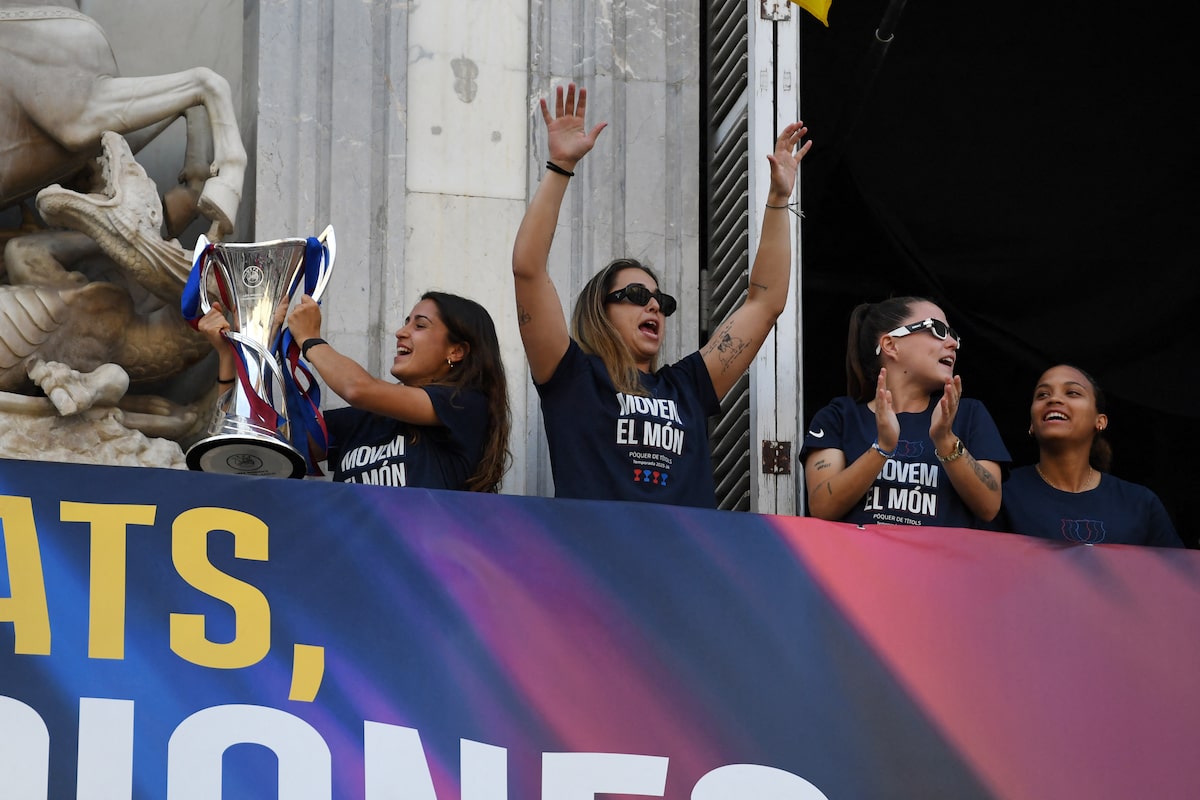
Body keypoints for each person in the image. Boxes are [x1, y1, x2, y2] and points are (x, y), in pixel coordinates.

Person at [511, 82, 811, 508]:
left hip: (683, 571)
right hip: (598, 570)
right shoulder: (573, 378)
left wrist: (779, 199)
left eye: (661, 301)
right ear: (600, 310)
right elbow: (528, 270)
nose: (654, 304)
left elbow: (765, 304)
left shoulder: (685, 386)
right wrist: (560, 166)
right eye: (635, 294)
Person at [197, 291, 511, 492]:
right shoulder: (366, 421)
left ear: (456, 351)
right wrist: (233, 356)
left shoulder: (467, 406)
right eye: (406, 323)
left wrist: (309, 340)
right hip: (357, 579)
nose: (401, 332)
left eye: (420, 325)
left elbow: (357, 388)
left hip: (423, 581)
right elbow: (256, 445)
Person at [800, 296, 1009, 527]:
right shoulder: (840, 417)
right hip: (861, 562)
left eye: (953, 335)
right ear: (891, 345)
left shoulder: (968, 414)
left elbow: (989, 506)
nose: (952, 343)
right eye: (938, 329)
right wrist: (882, 448)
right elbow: (821, 507)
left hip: (939, 563)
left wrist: (945, 440)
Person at [999, 364, 1183, 547]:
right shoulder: (1002, 493)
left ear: (1100, 422)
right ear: (1032, 424)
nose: (1053, 399)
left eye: (1072, 393)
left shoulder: (1141, 503)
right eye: (1042, 395)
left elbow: (1174, 573)